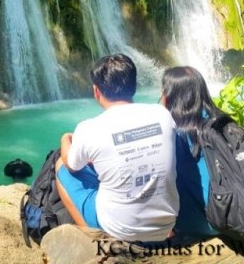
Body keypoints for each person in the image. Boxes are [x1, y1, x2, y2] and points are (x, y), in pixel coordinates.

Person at [56, 54, 179, 243]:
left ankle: (96, 240)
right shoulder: (162, 114)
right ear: (135, 86)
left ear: (96, 91)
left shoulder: (89, 128)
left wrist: (65, 138)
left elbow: (71, 165)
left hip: (120, 230)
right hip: (166, 224)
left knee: (61, 168)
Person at [160, 66, 220, 243]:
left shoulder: (174, 133)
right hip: (234, 214)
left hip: (203, 224)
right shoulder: (221, 121)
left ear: (170, 96)